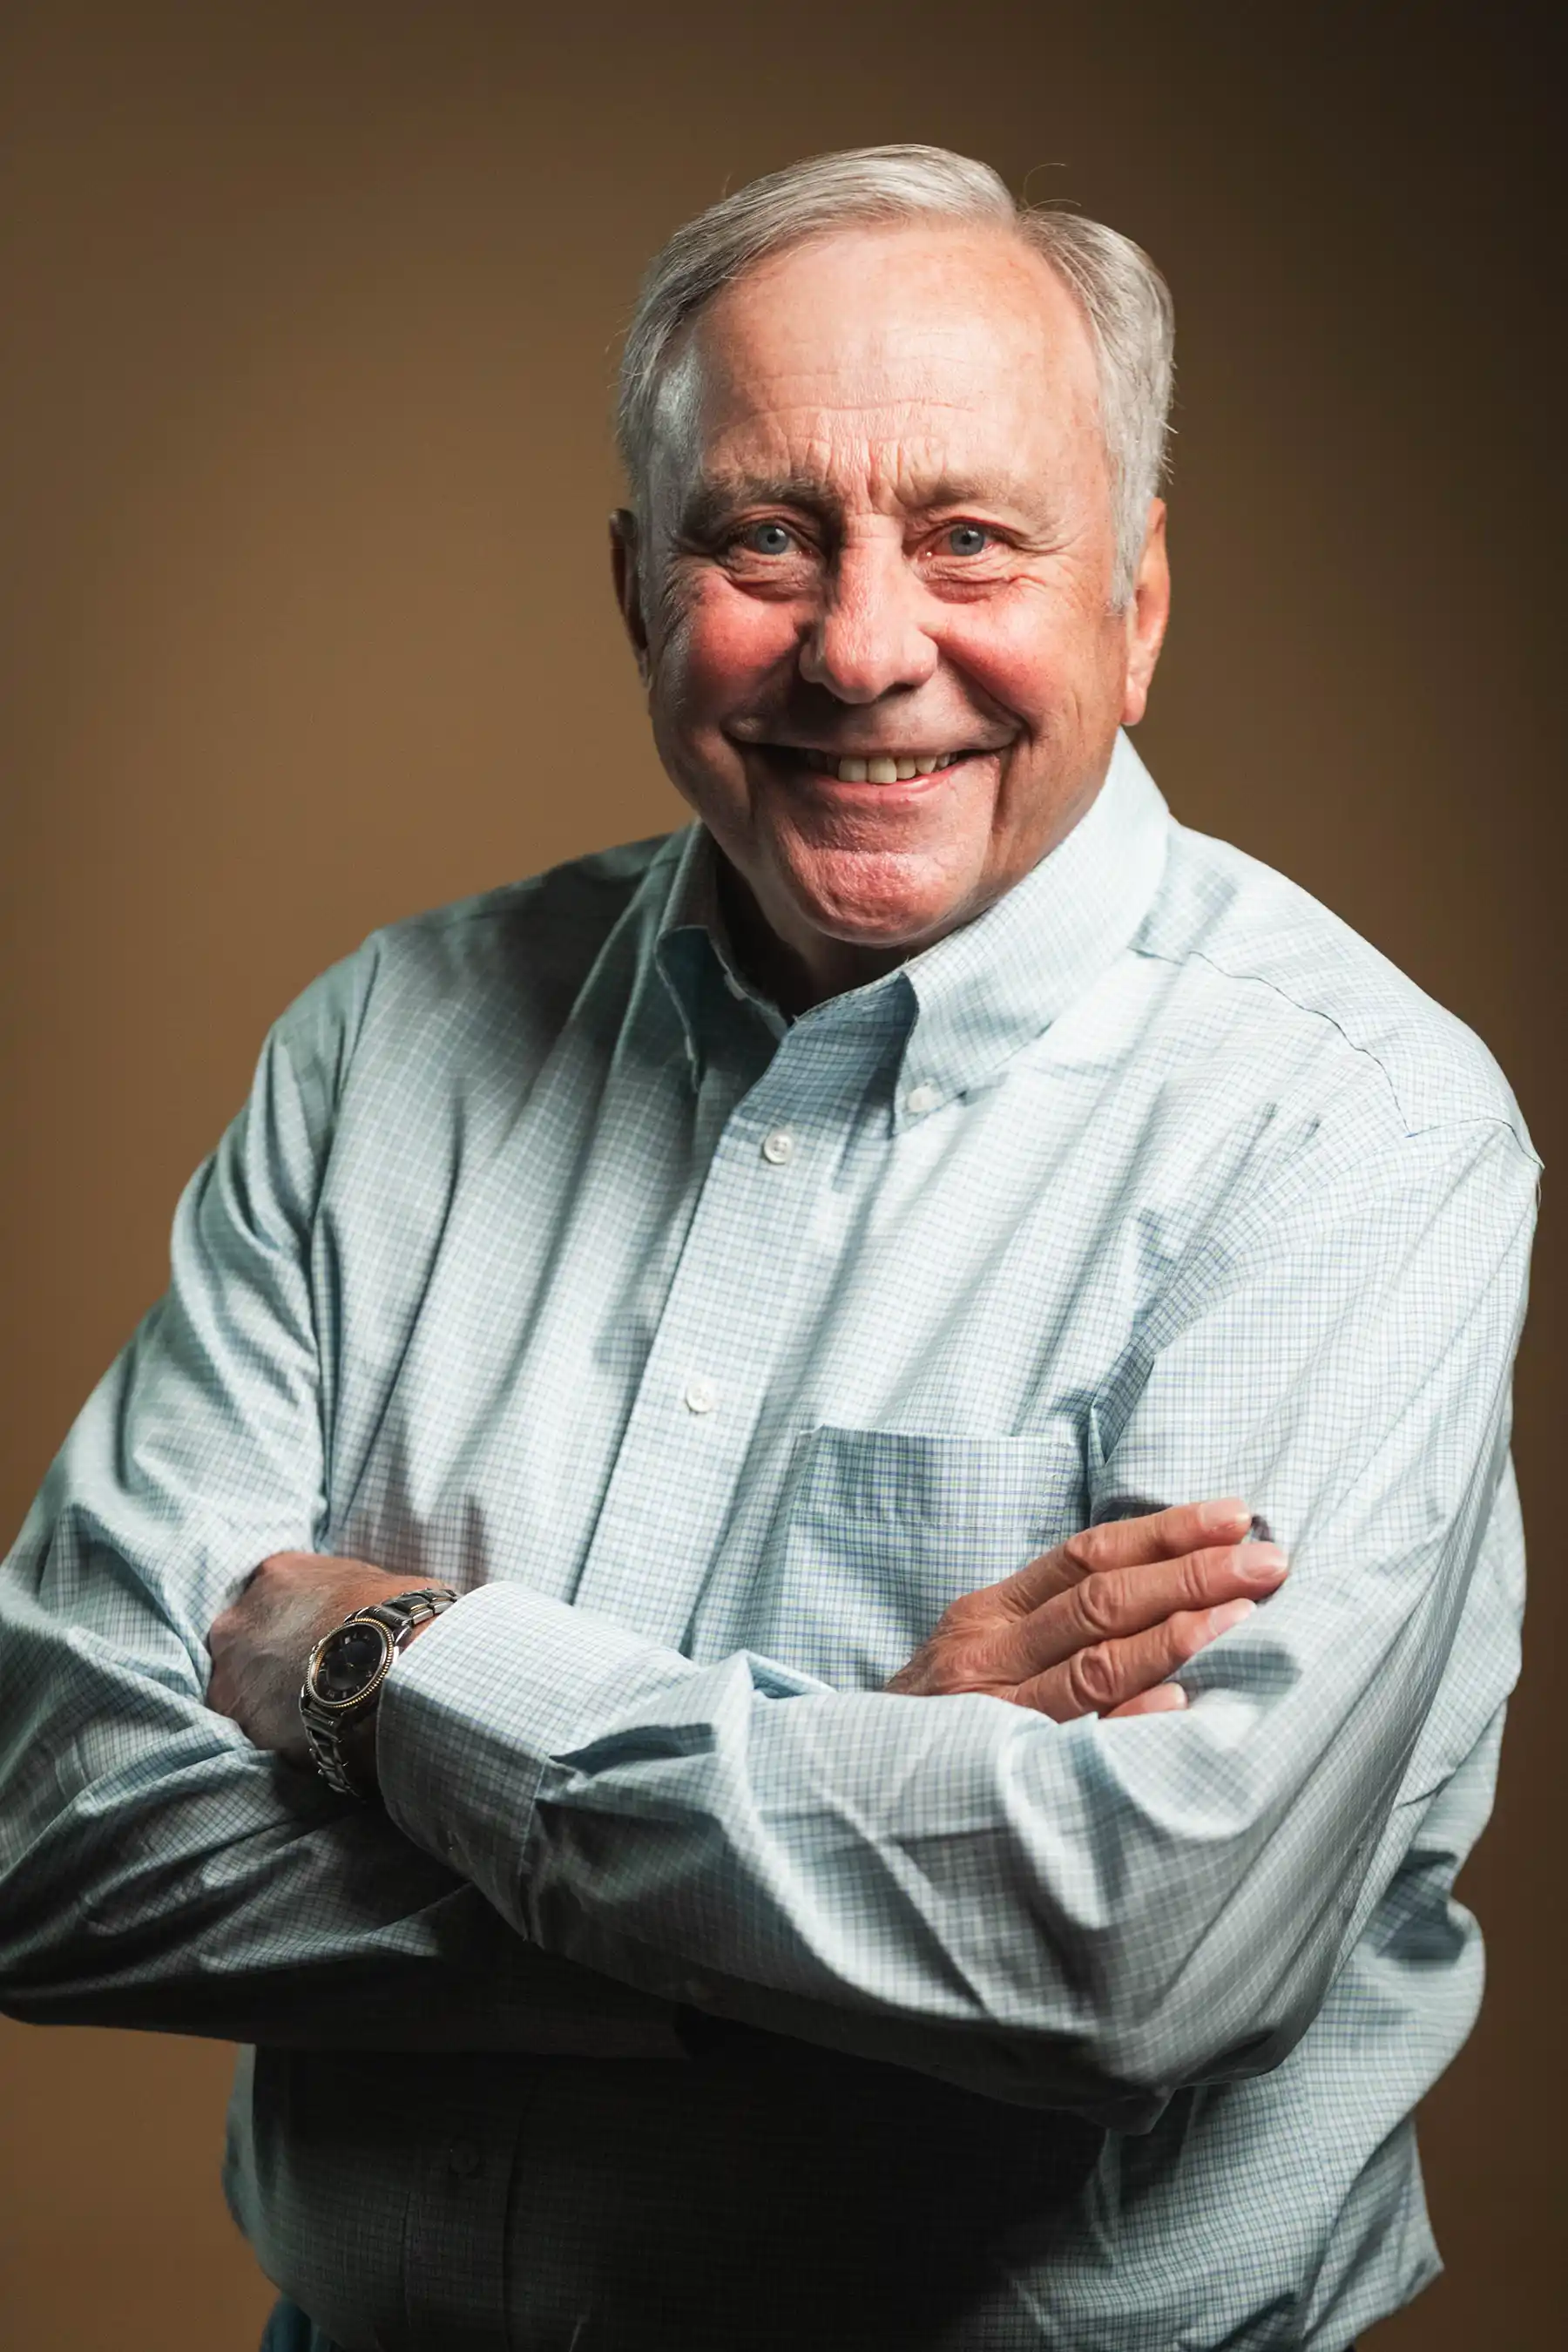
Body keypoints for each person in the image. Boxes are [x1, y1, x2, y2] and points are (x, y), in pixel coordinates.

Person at [0, 144, 1537, 2352]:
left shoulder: (1343, 1131)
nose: (863, 646)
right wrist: (854, 1818)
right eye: (766, 534)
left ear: (1141, 597)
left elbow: (1132, 1952)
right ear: (639, 584)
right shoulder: (387, 1046)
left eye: (974, 538)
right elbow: (53, 1833)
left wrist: (388, 1666)